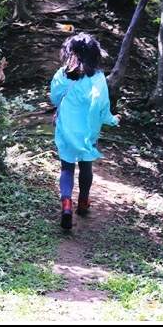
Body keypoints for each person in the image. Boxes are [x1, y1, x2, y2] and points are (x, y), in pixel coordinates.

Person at [50, 32, 120, 230]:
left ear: (69, 52)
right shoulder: (98, 78)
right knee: (86, 166)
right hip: (87, 131)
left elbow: (54, 99)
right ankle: (82, 202)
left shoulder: (61, 74)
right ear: (94, 54)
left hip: (66, 128)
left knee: (67, 168)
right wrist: (113, 120)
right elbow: (102, 106)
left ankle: (66, 205)